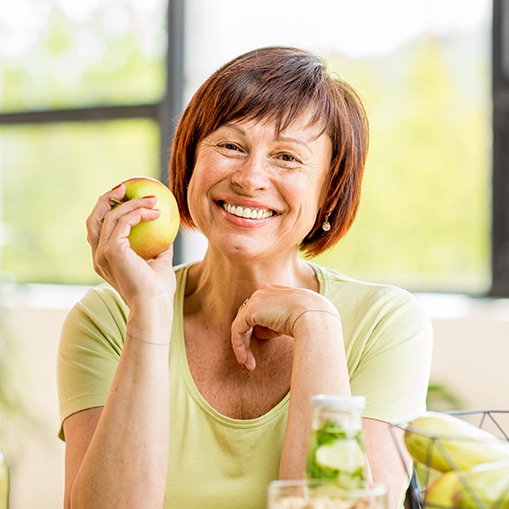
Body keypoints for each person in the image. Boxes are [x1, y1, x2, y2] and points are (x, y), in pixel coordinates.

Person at [57, 46, 433, 509]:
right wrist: (150, 315)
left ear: (329, 193)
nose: (251, 178)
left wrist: (316, 326)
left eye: (288, 158)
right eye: (231, 146)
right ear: (190, 163)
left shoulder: (384, 321)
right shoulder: (109, 317)